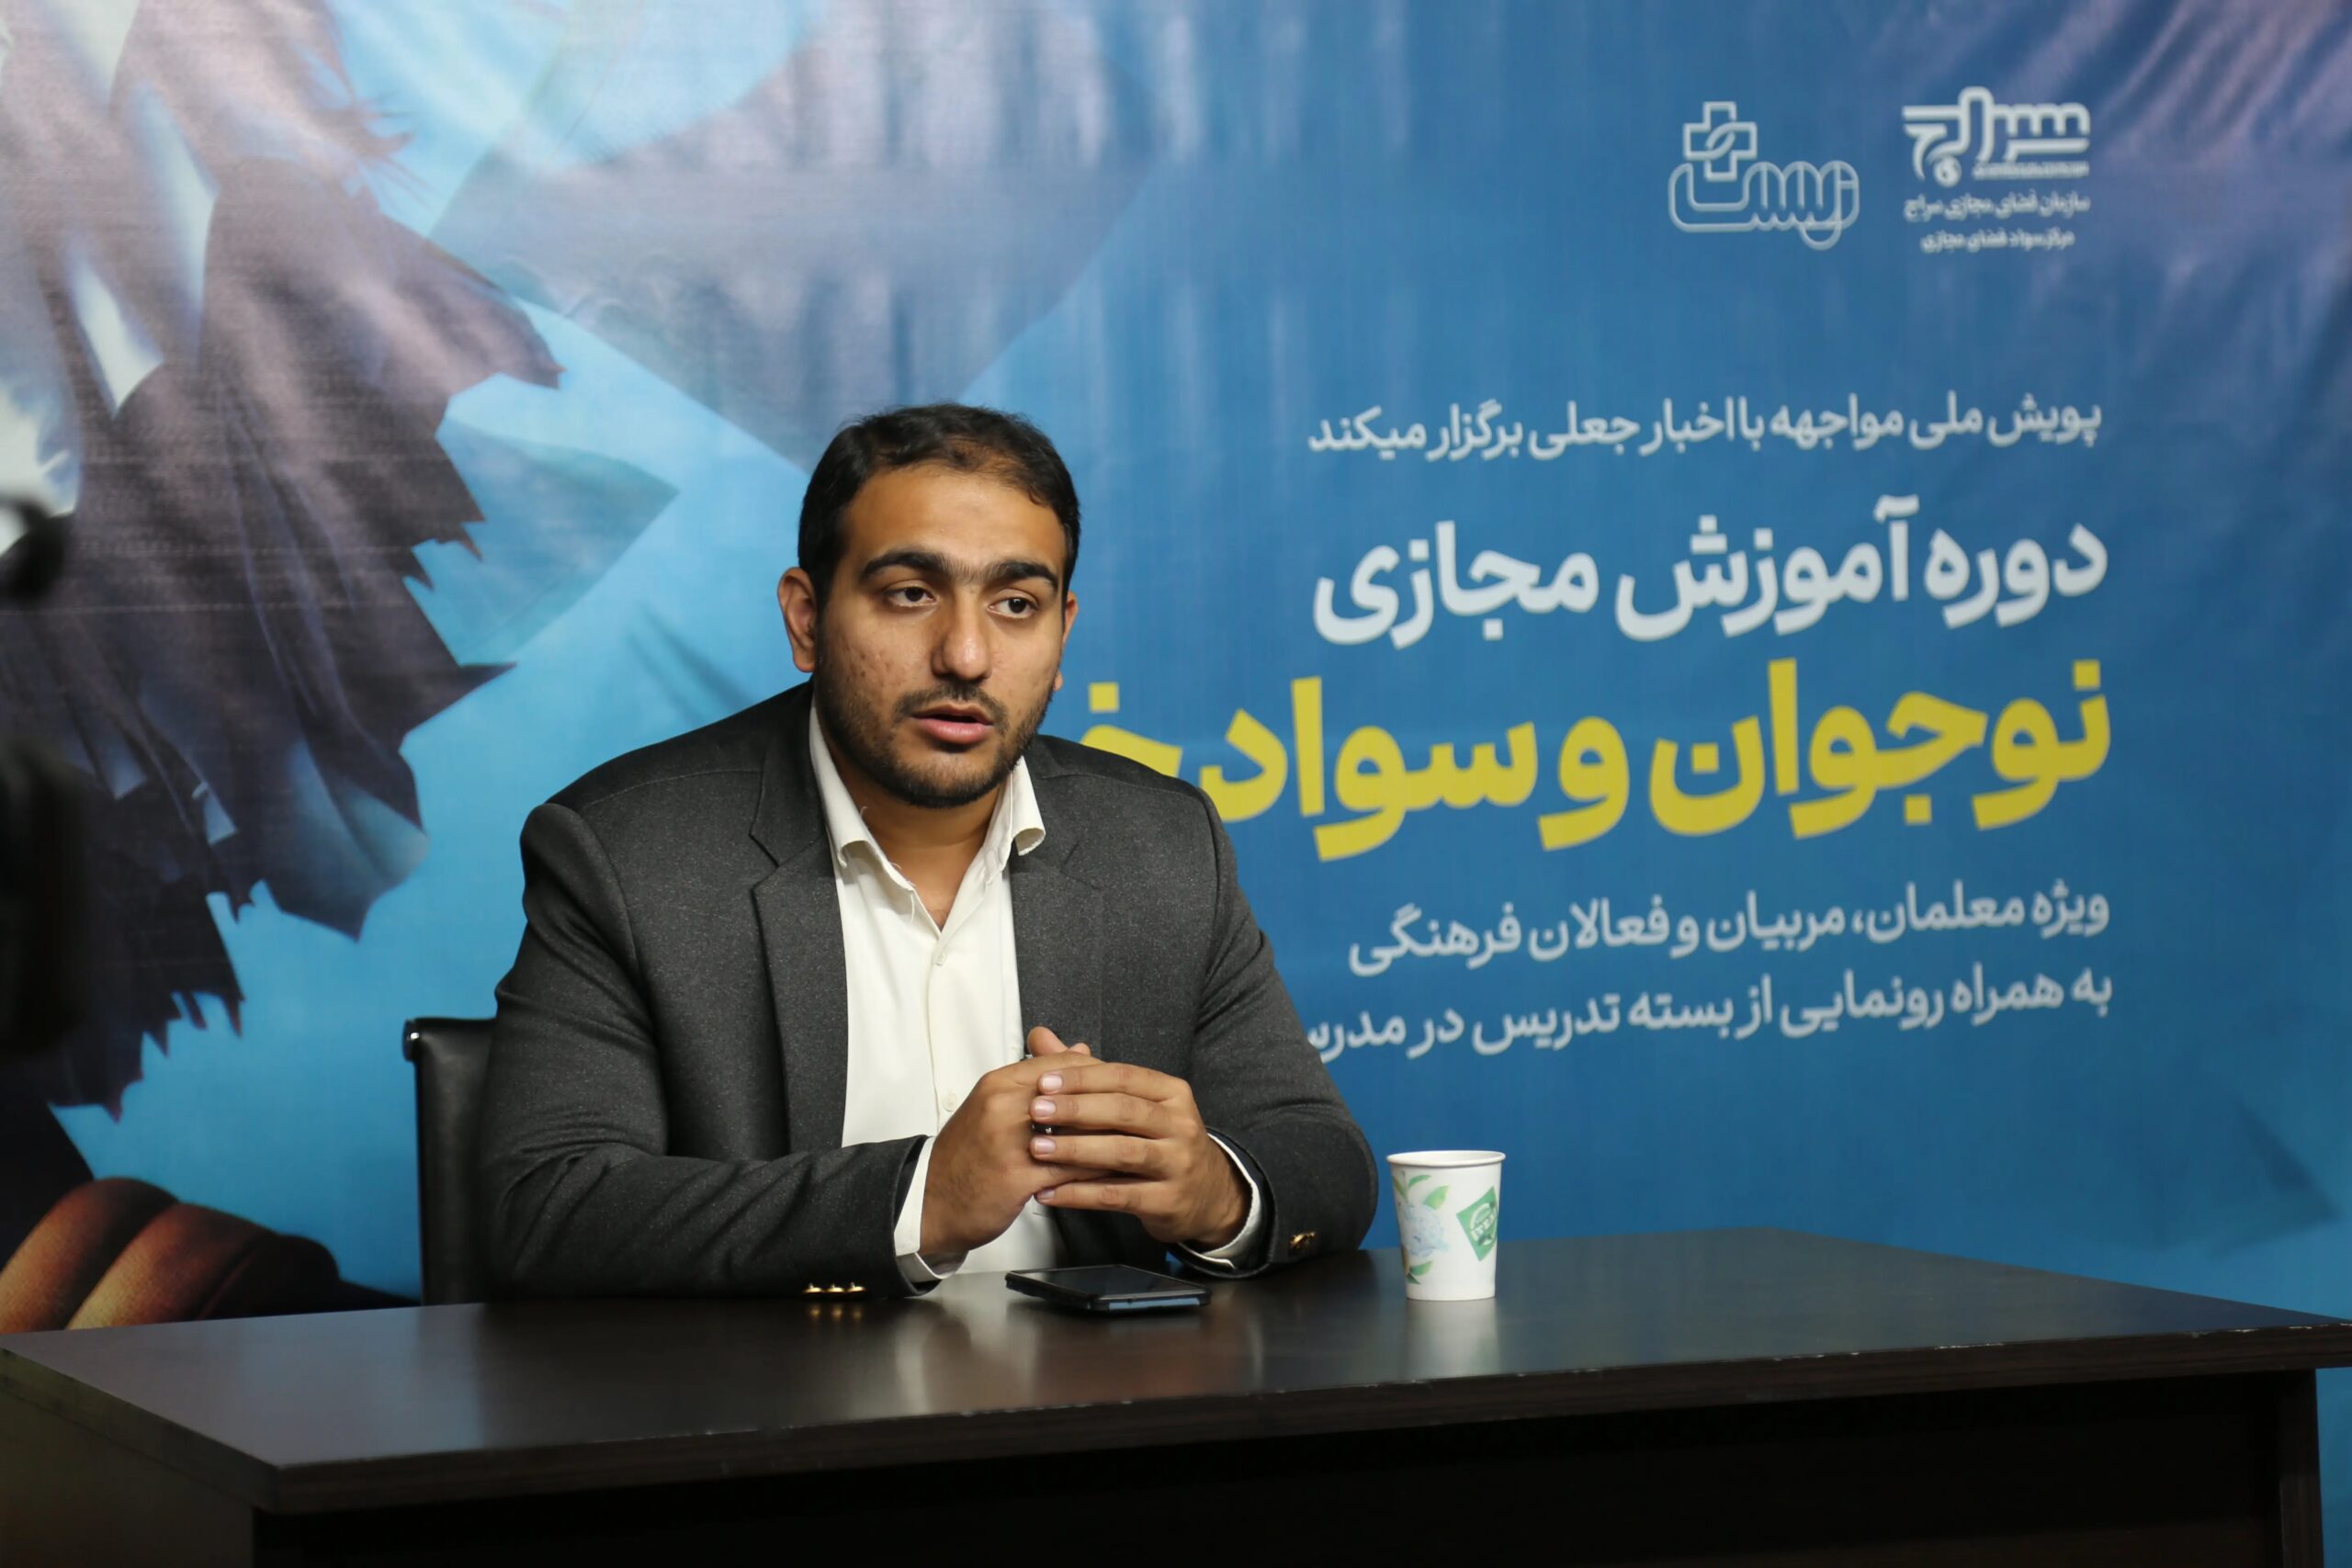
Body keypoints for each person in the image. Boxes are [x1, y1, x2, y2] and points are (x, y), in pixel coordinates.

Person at [477, 404, 1375, 1297]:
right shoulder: (629, 855)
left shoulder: (1161, 844)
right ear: (806, 618)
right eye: (911, 594)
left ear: (1062, 633)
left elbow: (1322, 1158)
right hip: (771, 1385)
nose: (966, 655)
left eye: (1016, 605)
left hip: (1094, 1385)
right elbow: (547, 1206)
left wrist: (1216, 1191)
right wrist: (919, 1198)